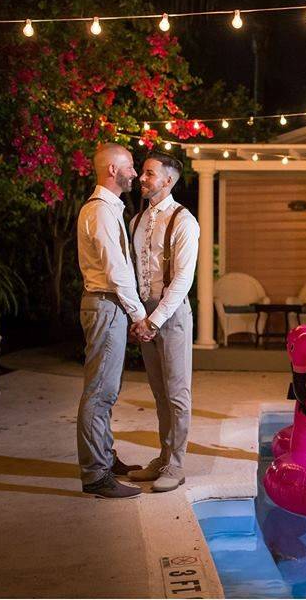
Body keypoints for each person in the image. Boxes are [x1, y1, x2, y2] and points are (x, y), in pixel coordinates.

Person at [125, 152, 199, 493]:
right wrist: (138, 315)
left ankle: (177, 465)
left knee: (177, 394)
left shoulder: (184, 221)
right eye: (142, 172)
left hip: (172, 315)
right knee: (159, 393)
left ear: (167, 181)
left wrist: (154, 320)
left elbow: (183, 279)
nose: (142, 177)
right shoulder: (136, 220)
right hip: (145, 314)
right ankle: (163, 456)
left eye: (149, 173)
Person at [75, 143, 146, 499]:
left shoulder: (108, 209)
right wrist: (140, 315)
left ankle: (104, 457)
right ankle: (95, 475)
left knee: (106, 389)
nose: (134, 173)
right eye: (131, 167)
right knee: (100, 392)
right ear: (113, 171)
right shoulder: (101, 211)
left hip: (107, 304)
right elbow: (117, 271)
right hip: (105, 303)